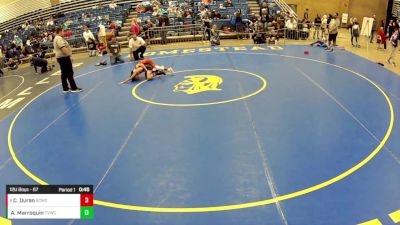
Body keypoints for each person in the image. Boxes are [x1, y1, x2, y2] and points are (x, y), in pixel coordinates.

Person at [53, 27, 82, 93]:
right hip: (64, 58)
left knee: (64, 73)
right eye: (63, 31)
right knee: (69, 72)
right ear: (60, 32)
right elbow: (63, 48)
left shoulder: (57, 38)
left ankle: (65, 88)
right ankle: (73, 88)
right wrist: (69, 55)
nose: (64, 33)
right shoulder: (59, 38)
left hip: (61, 58)